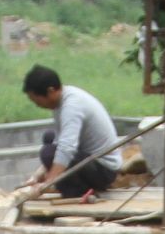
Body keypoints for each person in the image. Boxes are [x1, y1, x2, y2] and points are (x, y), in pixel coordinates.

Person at [21, 65, 122, 199]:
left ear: (50, 91)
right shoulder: (62, 103)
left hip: (104, 169)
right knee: (50, 142)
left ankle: (78, 191)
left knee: (48, 152)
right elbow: (59, 142)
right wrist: (36, 176)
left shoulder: (72, 106)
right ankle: (72, 188)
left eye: (37, 100)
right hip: (92, 163)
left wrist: (48, 183)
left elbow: (66, 148)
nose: (37, 105)